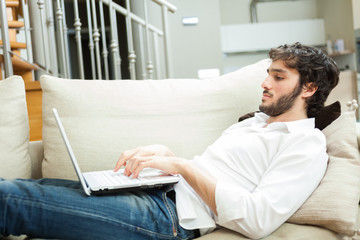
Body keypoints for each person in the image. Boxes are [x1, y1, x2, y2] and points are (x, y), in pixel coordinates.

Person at [0, 42, 339, 240]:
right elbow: (213, 174)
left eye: (277, 77)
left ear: (308, 89)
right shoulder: (255, 123)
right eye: (268, 73)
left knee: (11, 200)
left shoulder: (305, 146)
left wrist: (180, 165)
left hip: (166, 218)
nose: (264, 83)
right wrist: (167, 157)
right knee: (23, 187)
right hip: (155, 191)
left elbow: (258, 219)